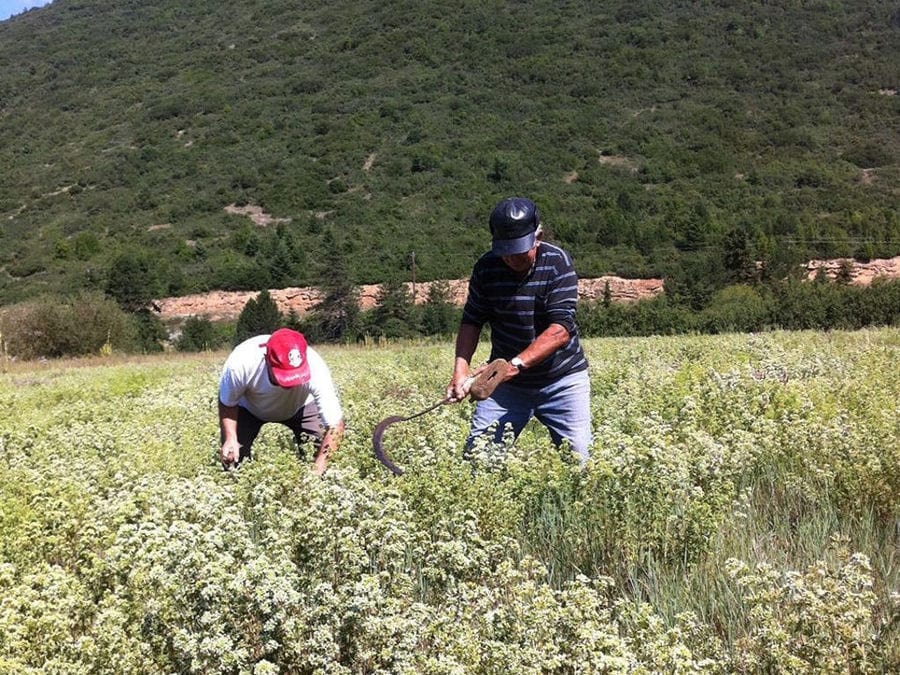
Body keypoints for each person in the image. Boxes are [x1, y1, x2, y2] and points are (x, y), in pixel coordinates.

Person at [446, 196, 592, 466]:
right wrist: (460, 370)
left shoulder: (557, 263)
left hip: (561, 380)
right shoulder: (486, 268)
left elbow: (560, 330)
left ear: (538, 236)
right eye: (505, 250)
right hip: (506, 385)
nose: (512, 258)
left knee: (579, 460)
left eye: (519, 250)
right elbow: (472, 320)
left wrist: (513, 365)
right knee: (479, 460)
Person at [218, 327, 344, 475]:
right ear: (267, 360)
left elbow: (335, 426)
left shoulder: (316, 367)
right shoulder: (241, 363)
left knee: (322, 457)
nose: (289, 386)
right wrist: (231, 438)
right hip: (249, 409)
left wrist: (317, 470)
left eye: (296, 376)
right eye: (283, 377)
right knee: (233, 462)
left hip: (301, 406)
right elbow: (228, 403)